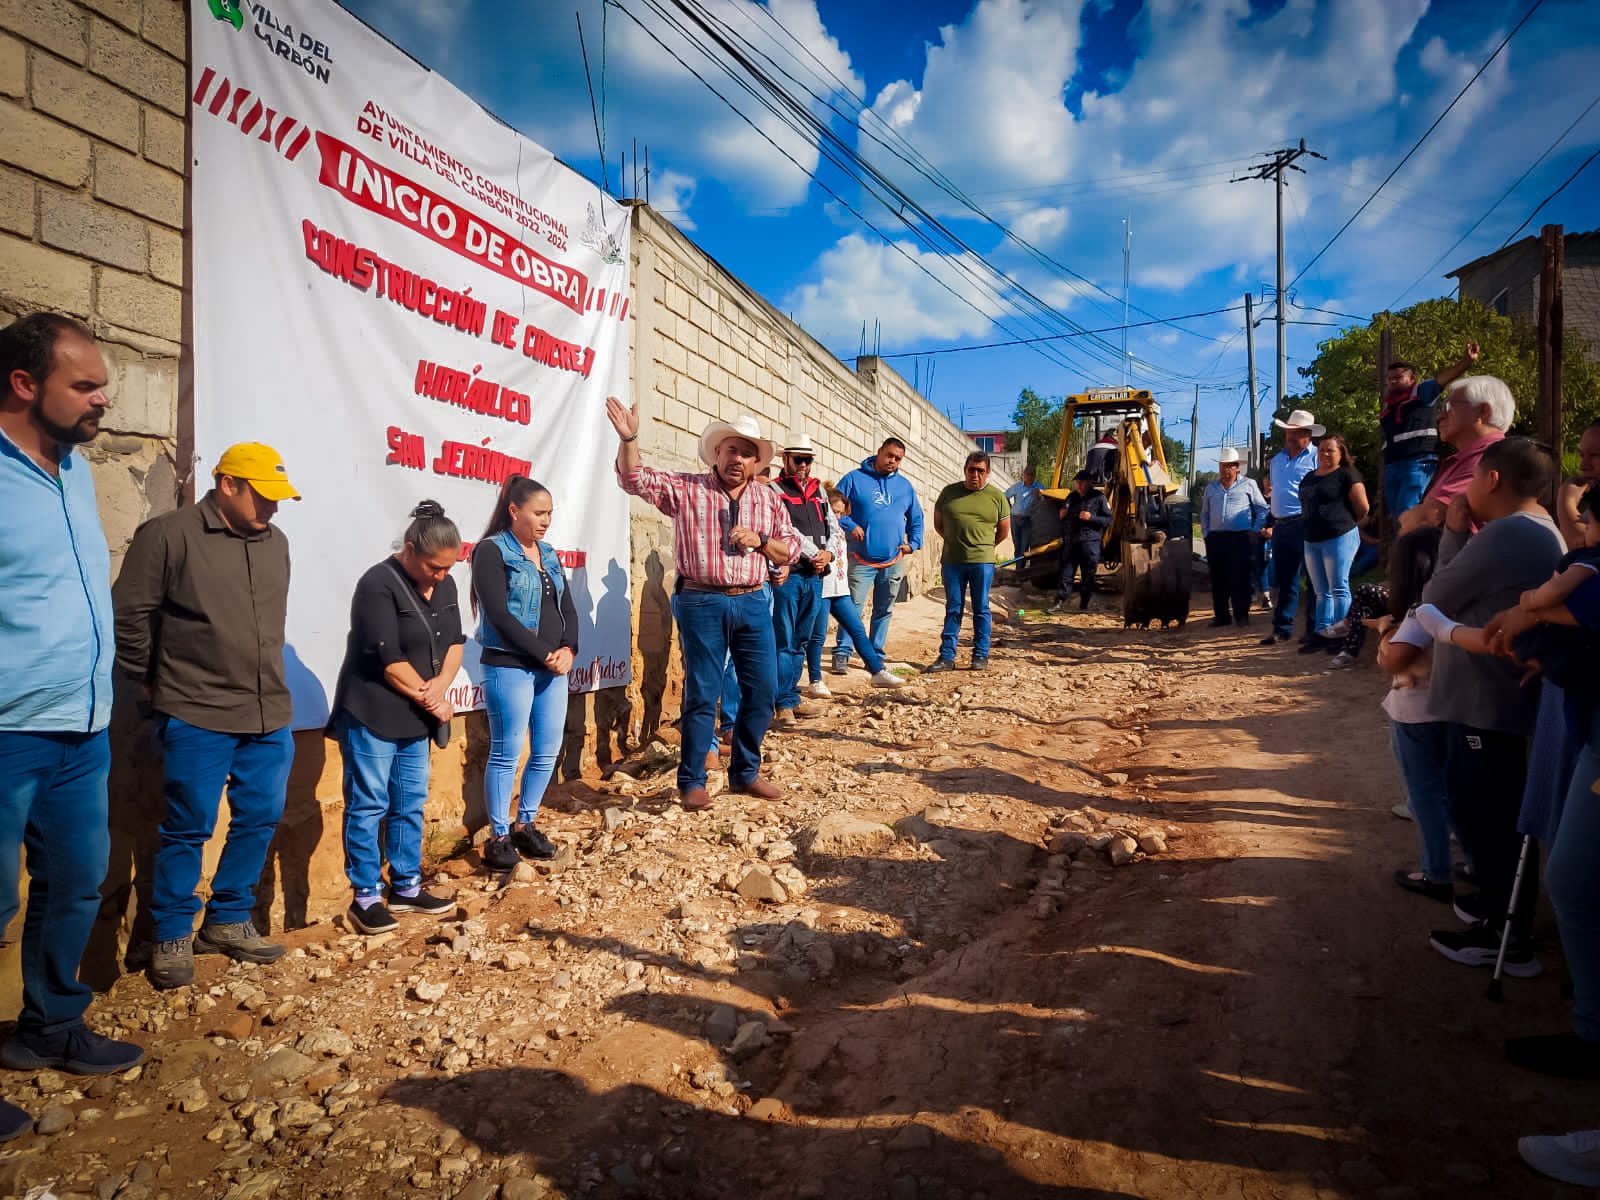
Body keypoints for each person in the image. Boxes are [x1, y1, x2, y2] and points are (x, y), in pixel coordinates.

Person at [0, 314, 143, 1132]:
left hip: (83, 728)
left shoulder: (77, 470)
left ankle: (49, 1028)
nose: (103, 399)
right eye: (85, 386)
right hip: (7, 732)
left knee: (73, 884)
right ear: (26, 386)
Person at [115, 443, 300, 989]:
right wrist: (150, 682)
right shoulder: (169, 536)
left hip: (268, 713)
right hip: (195, 710)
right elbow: (130, 616)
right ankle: (170, 931)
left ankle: (227, 919)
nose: (273, 509)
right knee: (187, 825)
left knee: (260, 817)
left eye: (278, 499)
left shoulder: (276, 542)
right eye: (263, 497)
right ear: (227, 485)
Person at [1413, 437, 1565, 976]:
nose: (1467, 488)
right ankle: (1498, 906)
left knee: (1489, 812)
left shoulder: (1507, 535)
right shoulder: (1538, 528)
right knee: (1484, 805)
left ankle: (1506, 932)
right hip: (1492, 695)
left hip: (1486, 701)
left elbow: (1437, 593)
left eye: (1474, 477)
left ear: (1493, 479)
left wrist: (1453, 531)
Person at [610, 400, 799, 812]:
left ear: (755, 462)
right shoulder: (688, 489)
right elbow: (633, 479)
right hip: (701, 600)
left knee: (763, 691)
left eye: (748, 453)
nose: (739, 459)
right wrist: (629, 438)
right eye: (732, 450)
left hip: (752, 600)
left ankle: (746, 771)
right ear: (717, 452)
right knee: (702, 692)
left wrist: (762, 543)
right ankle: (692, 780)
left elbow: (791, 549)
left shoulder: (768, 501)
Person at [329, 501, 465, 933]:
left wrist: (441, 686)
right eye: (434, 567)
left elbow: (456, 642)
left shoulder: (444, 584)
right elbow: (389, 661)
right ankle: (365, 896)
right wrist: (435, 702)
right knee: (369, 804)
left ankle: (406, 887)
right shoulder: (378, 585)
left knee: (409, 802)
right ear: (409, 550)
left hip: (415, 712)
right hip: (372, 712)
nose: (441, 577)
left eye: (447, 568)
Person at [471, 476, 578, 870]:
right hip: (510, 665)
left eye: (549, 513)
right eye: (538, 513)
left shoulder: (548, 553)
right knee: (507, 751)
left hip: (553, 669)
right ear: (514, 511)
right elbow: (498, 613)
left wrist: (570, 648)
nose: (546, 520)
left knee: (547, 749)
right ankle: (498, 836)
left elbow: (567, 608)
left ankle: (525, 823)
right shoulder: (491, 551)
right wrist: (543, 652)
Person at [1372, 528, 1452, 899]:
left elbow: (1393, 661)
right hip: (1448, 710)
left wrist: (1386, 634)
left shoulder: (1421, 613)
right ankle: (1471, 863)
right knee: (1451, 793)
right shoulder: (1457, 603)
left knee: (1424, 795)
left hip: (1416, 715)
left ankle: (1436, 871)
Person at [832, 438, 923, 674]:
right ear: (879, 452)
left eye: (898, 458)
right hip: (860, 558)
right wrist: (850, 525)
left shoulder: (904, 487)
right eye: (889, 455)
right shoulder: (854, 479)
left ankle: (875, 653)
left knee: (884, 609)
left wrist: (912, 544)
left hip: (893, 560)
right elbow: (832, 507)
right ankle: (842, 652)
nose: (892, 461)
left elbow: (916, 518)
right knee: (851, 607)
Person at [805, 487, 905, 693]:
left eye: (841, 512)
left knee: (857, 628)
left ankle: (877, 671)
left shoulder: (839, 529)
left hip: (839, 589)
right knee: (817, 635)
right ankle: (815, 680)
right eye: (834, 511)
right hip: (822, 588)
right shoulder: (818, 529)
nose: (838, 516)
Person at [1397, 375, 1513, 534]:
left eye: (1449, 406)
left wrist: (1405, 521)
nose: (1439, 416)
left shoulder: (1488, 458)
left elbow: (1424, 519)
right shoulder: (1476, 457)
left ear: (1483, 411)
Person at [928, 451, 1009, 671]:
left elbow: (1003, 531)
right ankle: (946, 657)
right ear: (965, 469)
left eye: (980, 471)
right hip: (953, 561)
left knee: (981, 608)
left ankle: (980, 655)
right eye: (971, 470)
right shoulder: (949, 493)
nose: (975, 475)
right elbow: (939, 524)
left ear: (988, 472)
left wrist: (984, 547)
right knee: (953, 607)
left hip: (982, 562)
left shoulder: (997, 497)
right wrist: (955, 541)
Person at [1379, 342, 1478, 520]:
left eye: (1398, 377)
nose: (1393, 381)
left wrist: (1466, 362)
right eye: (1390, 378)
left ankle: (1409, 545)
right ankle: (1403, 543)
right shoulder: (1389, 408)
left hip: (1417, 462)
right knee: (1396, 515)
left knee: (1406, 512)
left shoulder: (1420, 393)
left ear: (1411, 379)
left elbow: (1442, 379)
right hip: (1393, 465)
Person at [771, 436, 831, 727]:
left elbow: (832, 527)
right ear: (785, 459)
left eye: (808, 460)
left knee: (801, 639)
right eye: (798, 459)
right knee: (783, 639)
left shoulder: (819, 491)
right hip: (789, 575)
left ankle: (791, 696)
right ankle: (781, 701)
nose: (804, 465)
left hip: (814, 576)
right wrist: (816, 553)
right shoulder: (774, 491)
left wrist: (828, 553)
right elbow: (787, 530)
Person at [1298, 434, 1370, 653]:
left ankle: (1342, 635)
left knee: (1338, 587)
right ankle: (1322, 633)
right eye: (1321, 450)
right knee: (1321, 591)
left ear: (1341, 453)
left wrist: (1345, 523)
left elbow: (1363, 507)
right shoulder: (1310, 477)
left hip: (1339, 536)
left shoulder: (1347, 474)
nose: (1325, 454)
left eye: (1330, 450)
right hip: (1312, 539)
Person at [1259, 410, 1321, 645]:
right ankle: (1282, 627)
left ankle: (1314, 628)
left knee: (1313, 578)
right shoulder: (1276, 460)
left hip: (1305, 522)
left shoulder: (1316, 457)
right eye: (1289, 432)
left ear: (1308, 435)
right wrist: (1271, 521)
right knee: (1286, 579)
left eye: (1296, 433)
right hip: (1282, 524)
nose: (1291, 437)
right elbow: (1276, 492)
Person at [1200, 448, 1267, 627]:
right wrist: (1206, 534)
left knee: (1240, 578)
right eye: (1223, 466)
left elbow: (1262, 509)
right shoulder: (1211, 488)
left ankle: (1241, 616)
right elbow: (1204, 514)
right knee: (1218, 579)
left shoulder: (1249, 485)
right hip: (1216, 539)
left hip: (1240, 538)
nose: (1225, 470)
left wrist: (1255, 529)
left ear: (1237, 467)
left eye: (1229, 466)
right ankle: (1221, 616)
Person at [1049, 470, 1112, 614]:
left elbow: (1108, 520)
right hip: (1072, 542)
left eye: (1081, 482)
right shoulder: (1072, 497)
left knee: (1088, 576)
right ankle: (1059, 602)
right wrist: (1062, 513)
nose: (1078, 485)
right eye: (1077, 482)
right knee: (1066, 574)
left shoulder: (1099, 498)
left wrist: (1092, 517)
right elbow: (1063, 514)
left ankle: (1083, 605)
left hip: (1089, 543)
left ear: (1089, 482)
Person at [1003, 466, 1042, 560]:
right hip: (1015, 519)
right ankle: (1018, 568)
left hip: (1028, 520)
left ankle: (1019, 569)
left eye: (1031, 474)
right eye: (1027, 474)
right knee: (1017, 545)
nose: (1029, 477)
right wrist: (1010, 508)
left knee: (1024, 546)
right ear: (1023, 475)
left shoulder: (1039, 488)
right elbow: (1005, 496)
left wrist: (1041, 494)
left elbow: (1047, 499)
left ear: (1034, 476)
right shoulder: (1017, 486)